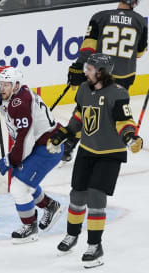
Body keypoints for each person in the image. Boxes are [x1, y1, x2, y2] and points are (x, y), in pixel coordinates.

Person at [47, 53, 143, 268]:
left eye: (89, 69)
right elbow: (79, 116)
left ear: (101, 73)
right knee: (77, 194)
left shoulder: (118, 94)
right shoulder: (83, 89)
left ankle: (94, 246)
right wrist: (63, 134)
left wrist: (130, 137)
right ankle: (72, 235)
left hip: (110, 153)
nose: (85, 72)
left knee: (96, 196)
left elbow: (124, 121)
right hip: (88, 150)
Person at [0, 67, 64, 244]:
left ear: (16, 85)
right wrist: (0, 103)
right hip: (42, 144)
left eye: (7, 85)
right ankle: (51, 207)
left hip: (48, 148)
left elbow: (25, 139)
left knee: (18, 187)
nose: (2, 88)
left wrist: (10, 159)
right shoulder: (18, 95)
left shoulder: (20, 104)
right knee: (24, 181)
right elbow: (13, 118)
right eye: (1, 84)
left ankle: (30, 228)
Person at [63, 0, 147, 162]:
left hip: (100, 73)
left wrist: (79, 66)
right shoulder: (140, 21)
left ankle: (70, 144)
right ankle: (108, 145)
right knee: (113, 110)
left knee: (88, 108)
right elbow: (139, 53)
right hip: (124, 76)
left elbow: (88, 48)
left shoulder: (100, 17)